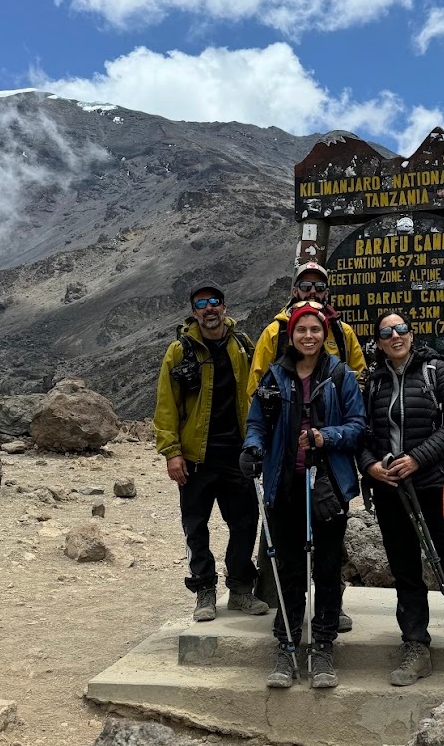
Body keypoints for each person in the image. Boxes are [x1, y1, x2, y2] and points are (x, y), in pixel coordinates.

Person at [359, 312, 444, 692]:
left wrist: (419, 457)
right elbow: (364, 433)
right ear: (379, 340)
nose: (395, 336)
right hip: (390, 489)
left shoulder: (437, 369)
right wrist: (371, 466)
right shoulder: (372, 381)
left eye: (400, 329)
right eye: (386, 332)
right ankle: (415, 646)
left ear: (411, 333)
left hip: (436, 484)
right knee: (405, 571)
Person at [241, 301, 365, 689]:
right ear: (291, 335)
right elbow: (257, 422)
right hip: (287, 483)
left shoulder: (341, 375)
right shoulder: (275, 376)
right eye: (301, 330)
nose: (308, 336)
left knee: (327, 567)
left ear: (324, 334)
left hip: (327, 484)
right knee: (289, 567)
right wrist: (252, 447)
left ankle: (323, 645)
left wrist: (324, 436)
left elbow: (358, 426)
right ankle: (288, 644)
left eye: (315, 329)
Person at [154, 283, 268, 623]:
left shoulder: (242, 345)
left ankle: (240, 590)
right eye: (201, 303)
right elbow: (165, 406)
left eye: (214, 302)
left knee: (245, 523)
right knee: (196, 526)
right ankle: (204, 591)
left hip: (237, 454)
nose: (209, 308)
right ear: (193, 311)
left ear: (224, 306)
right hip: (195, 457)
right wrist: (172, 452)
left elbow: (257, 394)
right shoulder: (179, 350)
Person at [247, 261, 367, 397]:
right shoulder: (274, 332)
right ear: (294, 291)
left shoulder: (343, 332)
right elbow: (256, 384)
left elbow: (359, 377)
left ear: (326, 293)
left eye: (320, 287)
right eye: (305, 286)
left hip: (334, 415)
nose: (313, 291)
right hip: (286, 415)